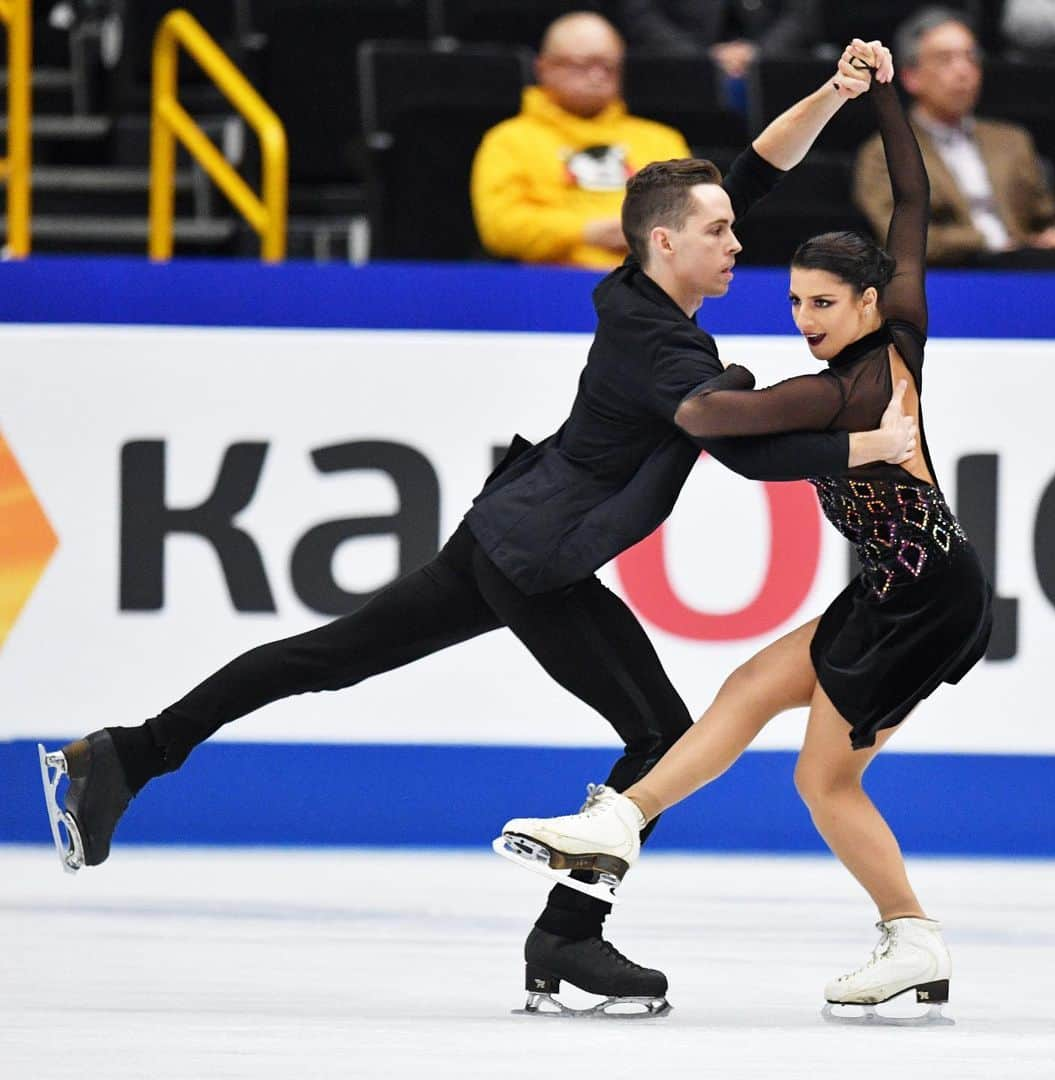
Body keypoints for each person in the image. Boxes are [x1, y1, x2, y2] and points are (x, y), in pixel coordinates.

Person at [38, 41, 913, 1020]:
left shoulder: (638, 282)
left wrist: (834, 95)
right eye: (719, 233)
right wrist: (864, 445)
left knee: (332, 655)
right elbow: (742, 451)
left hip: (512, 524)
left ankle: (125, 754)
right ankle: (567, 940)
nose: (739, 243)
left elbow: (753, 166)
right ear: (668, 242)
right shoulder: (659, 343)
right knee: (662, 739)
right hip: (535, 560)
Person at [499, 46, 993, 1022]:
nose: (805, 319)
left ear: (865, 300)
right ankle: (619, 823)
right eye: (794, 302)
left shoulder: (850, 382)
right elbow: (911, 198)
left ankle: (912, 936)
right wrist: (885, 96)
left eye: (821, 303)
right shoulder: (894, 329)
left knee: (823, 782)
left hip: (930, 602)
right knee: (748, 688)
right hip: (893, 591)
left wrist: (736, 405)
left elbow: (738, 421)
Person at [853, 7, 1055, 267]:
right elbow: (901, 238)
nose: (963, 71)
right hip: (945, 279)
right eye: (945, 59)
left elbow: (1045, 219)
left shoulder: (1012, 140)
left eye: (971, 58)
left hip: (1022, 273)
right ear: (910, 76)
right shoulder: (884, 151)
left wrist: (1050, 237)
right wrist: (993, 241)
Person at [470, 12, 691, 270]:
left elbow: (691, 222)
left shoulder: (661, 141)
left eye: (608, 66)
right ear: (543, 68)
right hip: (547, 286)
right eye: (582, 65)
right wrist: (587, 231)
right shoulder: (509, 140)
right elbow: (500, 227)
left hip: (649, 288)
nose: (597, 76)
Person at [614, 0, 821, 78]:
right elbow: (641, 15)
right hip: (682, 66)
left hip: (772, 66)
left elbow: (801, 14)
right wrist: (701, 57)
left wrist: (759, 52)